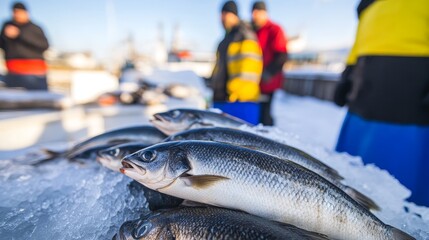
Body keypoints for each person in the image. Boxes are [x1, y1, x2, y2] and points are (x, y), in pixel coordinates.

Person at [333, 0, 429, 206]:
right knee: (349, 185)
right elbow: (358, 43)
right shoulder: (367, 5)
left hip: (413, 103)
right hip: (363, 97)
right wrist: (347, 75)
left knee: (404, 199)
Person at [210, 1, 263, 124]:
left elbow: (248, 68)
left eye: (225, 14)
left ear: (234, 15)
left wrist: (234, 94)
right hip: (222, 101)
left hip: (239, 103)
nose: (221, 18)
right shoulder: (225, 40)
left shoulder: (244, 36)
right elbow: (219, 69)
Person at [251, 1, 287, 126]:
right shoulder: (253, 31)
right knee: (254, 115)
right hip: (253, 83)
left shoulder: (275, 29)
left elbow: (281, 55)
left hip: (267, 82)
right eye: (253, 12)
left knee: (265, 114)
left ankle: (267, 138)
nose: (255, 15)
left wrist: (268, 74)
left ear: (265, 13)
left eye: (258, 12)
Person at [0, 2, 49, 90]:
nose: (17, 15)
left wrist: (19, 35)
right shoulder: (7, 26)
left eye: (19, 12)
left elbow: (44, 46)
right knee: (14, 101)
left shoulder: (35, 28)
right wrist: (4, 36)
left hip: (35, 73)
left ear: (26, 13)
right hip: (12, 71)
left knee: (37, 101)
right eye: (15, 12)